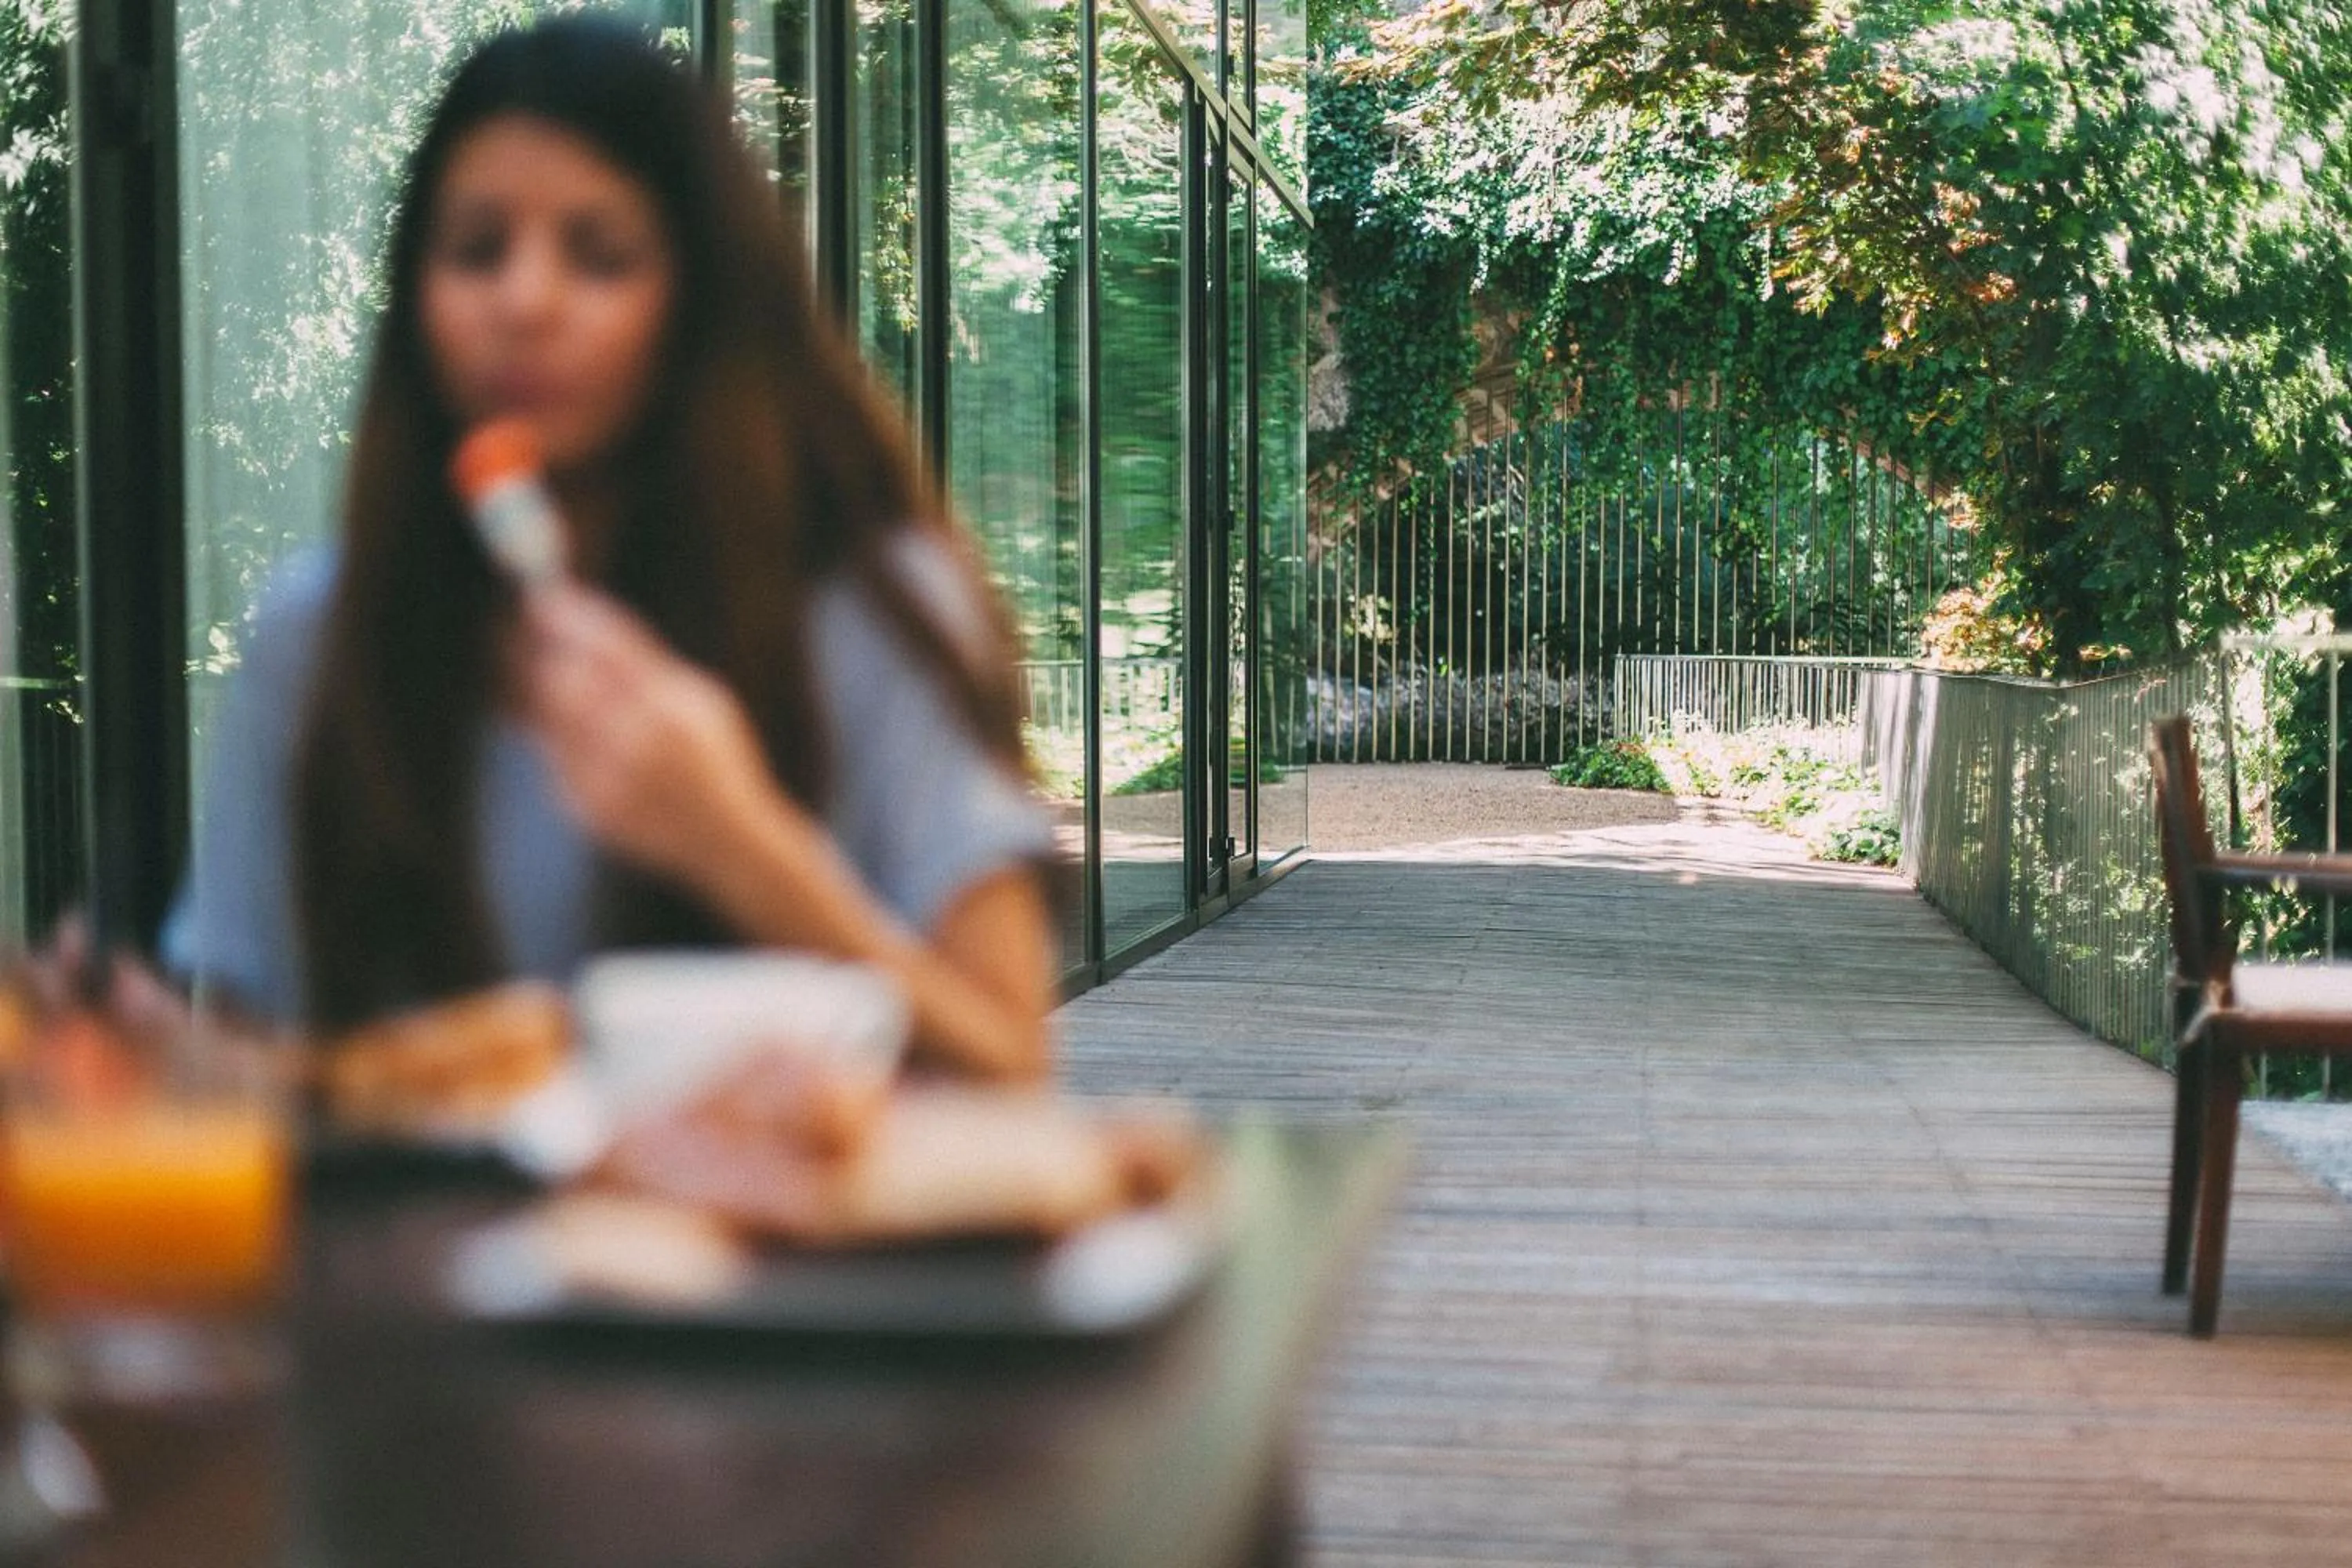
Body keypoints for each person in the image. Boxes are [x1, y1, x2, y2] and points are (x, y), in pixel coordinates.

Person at [162, 16, 1061, 1082]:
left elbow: (1010, 1065)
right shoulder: (316, 636)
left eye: (601, 256)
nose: (525, 302)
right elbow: (248, 1075)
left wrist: (738, 842)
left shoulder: (870, 608)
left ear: (700, 297)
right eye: (477, 250)